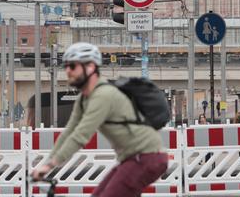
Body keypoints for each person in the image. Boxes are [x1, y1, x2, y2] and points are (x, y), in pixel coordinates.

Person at [30, 42, 168, 196]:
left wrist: (50, 165)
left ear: (90, 67)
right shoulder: (84, 98)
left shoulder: (103, 95)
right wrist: (48, 163)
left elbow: (81, 135)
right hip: (132, 159)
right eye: (66, 66)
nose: (68, 71)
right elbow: (68, 132)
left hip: (146, 158)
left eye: (73, 66)